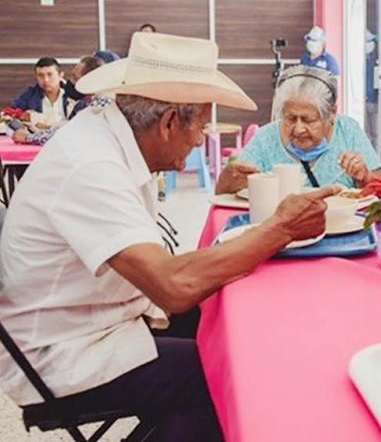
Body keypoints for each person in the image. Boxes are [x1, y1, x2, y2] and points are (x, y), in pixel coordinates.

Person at [0, 32, 337, 441]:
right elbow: (174, 286)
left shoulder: (105, 134)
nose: (201, 140)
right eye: (201, 126)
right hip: (62, 354)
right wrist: (280, 228)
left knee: (227, 321)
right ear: (170, 122)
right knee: (223, 374)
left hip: (96, 317)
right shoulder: (91, 166)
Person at [216, 65, 381, 193]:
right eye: (289, 118)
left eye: (308, 120)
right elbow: (227, 191)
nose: (298, 129)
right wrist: (228, 179)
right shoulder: (266, 138)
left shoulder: (347, 130)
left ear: (331, 113)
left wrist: (364, 176)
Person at [12, 56, 105, 145]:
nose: (70, 81)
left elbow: (69, 135)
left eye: (75, 78)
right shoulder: (83, 104)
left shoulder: (101, 106)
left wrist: (29, 137)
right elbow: (67, 127)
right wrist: (40, 131)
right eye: (40, 75)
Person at [10, 57, 68, 126]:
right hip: (38, 136)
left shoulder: (72, 94)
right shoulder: (30, 95)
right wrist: (23, 117)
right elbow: (11, 116)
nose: (46, 80)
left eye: (50, 74)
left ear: (60, 75)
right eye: (41, 75)